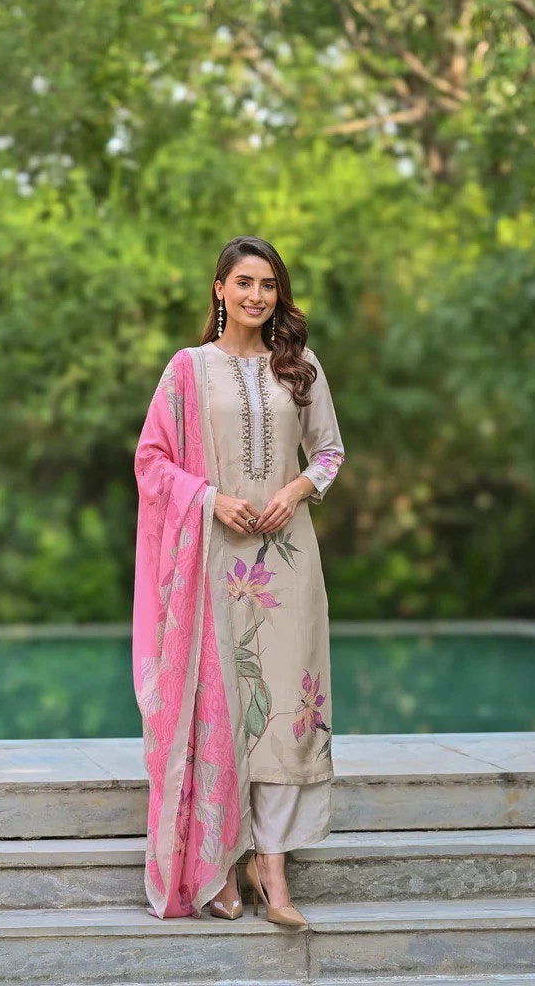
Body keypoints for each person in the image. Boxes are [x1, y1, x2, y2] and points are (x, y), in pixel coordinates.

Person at [132, 235, 345, 925]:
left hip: (287, 562)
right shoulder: (188, 370)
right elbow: (151, 459)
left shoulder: (299, 367)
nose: (257, 295)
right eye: (244, 282)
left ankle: (272, 873)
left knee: (283, 708)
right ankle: (219, 865)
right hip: (213, 561)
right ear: (219, 288)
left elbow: (331, 452)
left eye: (269, 284)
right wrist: (209, 499)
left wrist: (299, 488)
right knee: (219, 704)